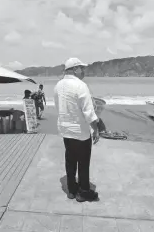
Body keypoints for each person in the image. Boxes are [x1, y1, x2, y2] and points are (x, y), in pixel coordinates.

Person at [54, 57, 100, 202]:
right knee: (83, 162)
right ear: (74, 69)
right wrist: (96, 129)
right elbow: (88, 111)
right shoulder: (81, 85)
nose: (83, 70)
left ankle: (72, 190)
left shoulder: (58, 86)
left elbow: (58, 107)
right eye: (82, 68)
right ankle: (84, 191)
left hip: (65, 129)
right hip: (80, 132)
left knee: (70, 159)